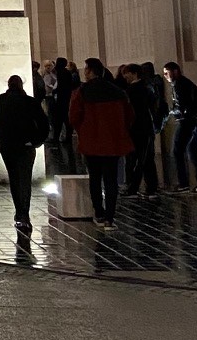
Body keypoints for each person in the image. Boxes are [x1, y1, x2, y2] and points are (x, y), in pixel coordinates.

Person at [69, 57, 134, 228]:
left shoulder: (81, 92)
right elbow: (129, 117)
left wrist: (83, 131)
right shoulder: (118, 91)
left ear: (89, 71)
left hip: (91, 142)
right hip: (112, 142)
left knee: (95, 178)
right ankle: (109, 218)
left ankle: (99, 212)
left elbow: (74, 117)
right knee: (111, 180)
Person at [0, 73, 47, 239]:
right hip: (25, 145)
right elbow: (43, 123)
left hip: (8, 146)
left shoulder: (1, 100)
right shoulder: (30, 101)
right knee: (25, 179)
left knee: (14, 179)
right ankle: (24, 213)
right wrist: (36, 141)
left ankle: (19, 212)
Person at [164, 60, 197, 195]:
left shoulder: (179, 85)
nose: (165, 76)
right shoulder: (185, 83)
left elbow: (181, 107)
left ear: (175, 71)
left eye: (167, 73)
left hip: (187, 122)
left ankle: (184, 184)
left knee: (177, 151)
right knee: (192, 152)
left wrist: (170, 112)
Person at [119, 63, 161, 198]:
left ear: (134, 73)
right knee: (147, 159)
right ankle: (151, 188)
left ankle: (133, 187)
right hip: (146, 128)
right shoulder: (147, 88)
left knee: (135, 159)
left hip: (137, 128)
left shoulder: (133, 90)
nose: (124, 76)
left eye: (127, 73)